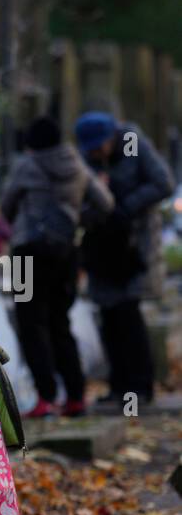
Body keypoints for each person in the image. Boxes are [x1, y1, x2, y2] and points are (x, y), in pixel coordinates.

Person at [0, 115, 114, 418]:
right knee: (60, 322)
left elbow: (6, 206)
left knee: (30, 324)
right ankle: (76, 397)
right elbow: (105, 204)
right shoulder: (77, 164)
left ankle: (44, 397)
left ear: (32, 145)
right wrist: (78, 219)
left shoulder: (26, 165)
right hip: (65, 252)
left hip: (27, 253)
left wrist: (23, 224)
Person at [74, 111, 175, 408]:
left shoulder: (131, 142)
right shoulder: (89, 159)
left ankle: (139, 388)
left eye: (99, 147)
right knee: (108, 318)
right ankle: (118, 387)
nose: (95, 154)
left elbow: (162, 183)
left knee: (128, 315)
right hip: (102, 248)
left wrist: (124, 203)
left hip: (134, 246)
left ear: (111, 138)